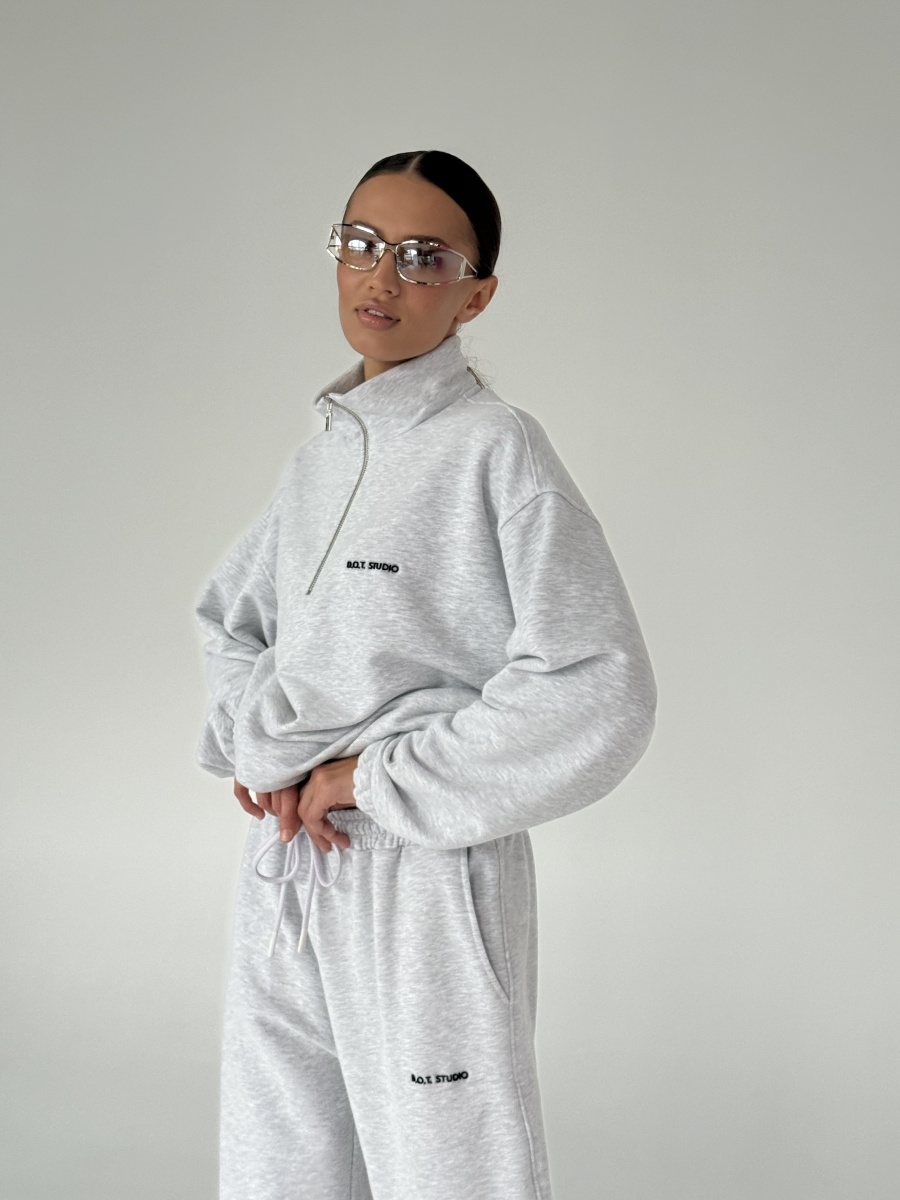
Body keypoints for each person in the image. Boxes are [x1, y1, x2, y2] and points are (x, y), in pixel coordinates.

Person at [193, 148, 657, 1200]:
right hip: (289, 863)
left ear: (474, 294)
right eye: (362, 245)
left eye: (423, 257)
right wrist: (267, 751)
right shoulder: (320, 457)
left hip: (428, 870)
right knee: (278, 1163)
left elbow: (599, 684)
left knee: (449, 1170)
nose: (382, 277)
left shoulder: (497, 450)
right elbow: (231, 619)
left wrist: (372, 779)